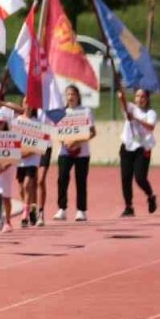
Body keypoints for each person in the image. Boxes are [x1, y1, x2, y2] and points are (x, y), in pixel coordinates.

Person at [54, 85, 95, 221]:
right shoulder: (61, 113)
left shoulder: (86, 111)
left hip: (82, 152)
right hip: (64, 151)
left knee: (81, 180)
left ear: (78, 96)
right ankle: (62, 209)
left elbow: (92, 132)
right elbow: (56, 132)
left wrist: (77, 141)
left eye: (73, 94)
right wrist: (65, 142)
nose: (70, 97)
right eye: (68, 94)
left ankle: (81, 210)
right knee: (62, 179)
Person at [118, 88, 158, 217]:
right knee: (125, 178)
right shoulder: (131, 108)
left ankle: (150, 196)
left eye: (143, 97)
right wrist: (121, 96)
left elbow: (151, 127)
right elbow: (124, 105)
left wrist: (135, 119)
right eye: (137, 96)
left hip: (142, 148)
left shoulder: (151, 113)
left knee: (140, 178)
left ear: (147, 99)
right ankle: (128, 206)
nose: (140, 99)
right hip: (127, 146)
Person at [15, 108, 43, 228]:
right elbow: (13, 139)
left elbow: (41, 143)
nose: (27, 105)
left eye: (30, 103)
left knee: (27, 185)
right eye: (25, 102)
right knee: (21, 189)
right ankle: (31, 208)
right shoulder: (17, 121)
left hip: (32, 159)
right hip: (20, 160)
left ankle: (24, 214)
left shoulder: (38, 122)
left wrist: (28, 152)